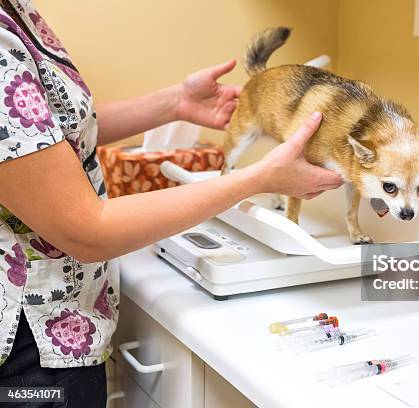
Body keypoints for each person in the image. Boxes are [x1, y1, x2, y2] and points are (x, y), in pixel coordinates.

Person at [0, 0, 343, 405]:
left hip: (67, 321)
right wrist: (259, 178)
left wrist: (176, 103)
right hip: (27, 345)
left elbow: (48, 136)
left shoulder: (16, 8)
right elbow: (86, 230)